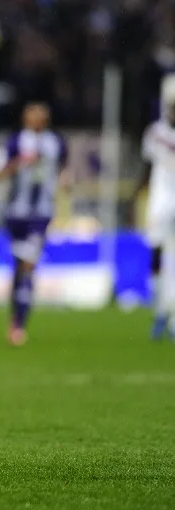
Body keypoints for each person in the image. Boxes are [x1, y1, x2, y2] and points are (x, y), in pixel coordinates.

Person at [0, 102, 68, 346]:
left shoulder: (56, 142)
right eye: (33, 115)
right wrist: (17, 163)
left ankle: (19, 324)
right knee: (18, 267)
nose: (37, 119)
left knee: (28, 265)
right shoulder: (14, 141)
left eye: (41, 115)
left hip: (41, 214)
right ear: (25, 118)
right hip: (16, 213)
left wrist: (65, 182)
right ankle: (16, 316)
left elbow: (63, 171)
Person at [130, 75, 175, 339]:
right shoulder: (155, 133)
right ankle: (160, 309)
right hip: (161, 199)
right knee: (156, 252)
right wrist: (136, 195)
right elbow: (147, 166)